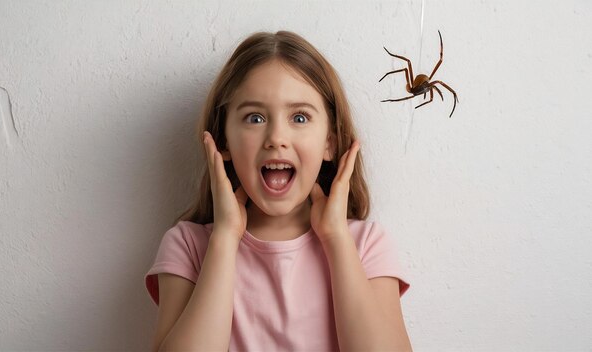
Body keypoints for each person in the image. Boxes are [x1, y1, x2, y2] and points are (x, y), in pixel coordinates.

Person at [145, 30, 412, 351]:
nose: (276, 137)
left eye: (299, 117)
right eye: (255, 117)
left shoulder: (366, 245)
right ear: (223, 139)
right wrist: (225, 238)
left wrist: (336, 238)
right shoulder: (188, 246)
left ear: (331, 141)